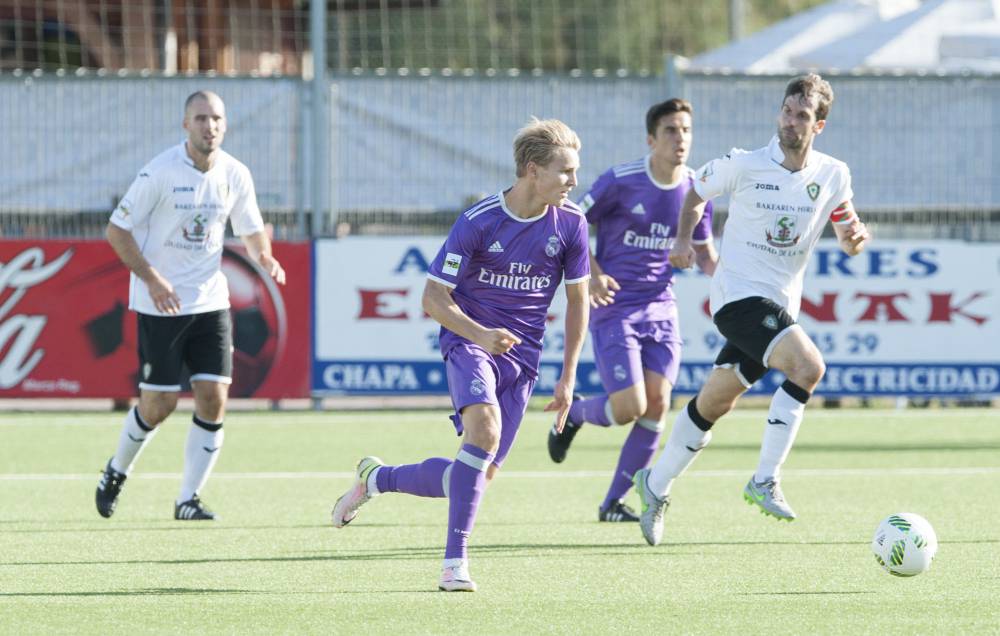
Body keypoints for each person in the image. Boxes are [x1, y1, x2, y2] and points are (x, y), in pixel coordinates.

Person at [331, 118, 591, 592]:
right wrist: (481, 335)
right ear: (533, 170)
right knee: (484, 432)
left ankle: (377, 479)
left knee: (469, 479)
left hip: (523, 358)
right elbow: (433, 298)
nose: (574, 181)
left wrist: (568, 376)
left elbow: (578, 301)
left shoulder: (571, 222)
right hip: (468, 341)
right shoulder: (479, 221)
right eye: (566, 171)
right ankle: (455, 564)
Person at [633, 73, 871, 546]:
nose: (790, 121)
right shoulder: (743, 164)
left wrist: (855, 239)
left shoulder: (833, 174)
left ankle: (654, 485)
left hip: (779, 306)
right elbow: (694, 194)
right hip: (737, 298)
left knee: (715, 402)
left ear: (819, 125)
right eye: (787, 110)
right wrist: (683, 240)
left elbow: (848, 230)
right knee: (808, 367)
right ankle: (765, 478)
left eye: (802, 115)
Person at [95, 90, 286, 521]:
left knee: (214, 398)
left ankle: (188, 498)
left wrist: (265, 255)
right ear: (186, 125)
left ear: (225, 125)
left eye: (216, 118)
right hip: (160, 305)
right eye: (200, 118)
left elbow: (251, 227)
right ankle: (116, 470)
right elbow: (117, 231)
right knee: (158, 405)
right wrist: (153, 279)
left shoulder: (235, 173)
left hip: (210, 302)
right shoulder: (160, 172)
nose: (209, 126)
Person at [545, 99, 717, 523]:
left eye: (686, 130)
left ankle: (613, 504)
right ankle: (574, 415)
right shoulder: (620, 181)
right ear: (651, 139)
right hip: (615, 305)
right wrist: (593, 272)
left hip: (662, 308)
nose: (680, 138)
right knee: (628, 408)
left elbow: (706, 255)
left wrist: (738, 284)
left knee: (657, 405)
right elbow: (567, 219)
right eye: (671, 130)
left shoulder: (697, 190)